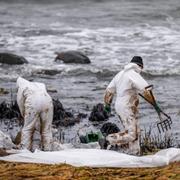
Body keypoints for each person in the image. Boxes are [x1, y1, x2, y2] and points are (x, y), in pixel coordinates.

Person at [103, 56, 156, 155]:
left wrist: (107, 104)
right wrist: (154, 103)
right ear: (140, 66)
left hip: (121, 106)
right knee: (132, 134)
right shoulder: (134, 74)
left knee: (135, 132)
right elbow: (146, 90)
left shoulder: (120, 74)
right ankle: (108, 140)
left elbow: (109, 90)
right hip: (126, 106)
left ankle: (135, 153)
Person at [16, 77, 53, 151]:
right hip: (48, 100)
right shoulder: (40, 85)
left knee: (27, 129)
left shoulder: (22, 87)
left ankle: (25, 150)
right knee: (46, 130)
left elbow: (20, 103)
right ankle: (48, 149)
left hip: (33, 101)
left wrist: (24, 115)